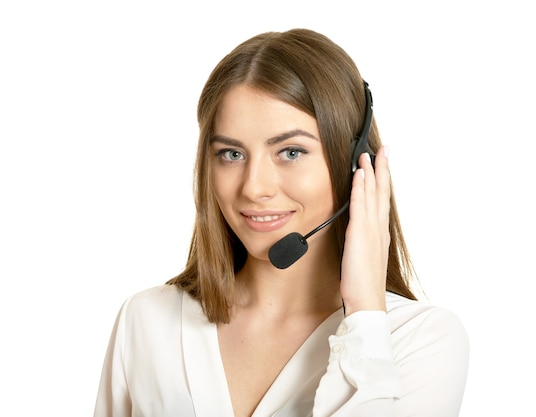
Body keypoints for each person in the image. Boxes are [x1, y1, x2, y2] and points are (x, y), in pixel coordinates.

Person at [93, 28, 469, 417]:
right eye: (231, 154)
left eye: (291, 151)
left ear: (357, 162)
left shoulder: (420, 340)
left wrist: (364, 315)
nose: (254, 187)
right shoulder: (148, 322)